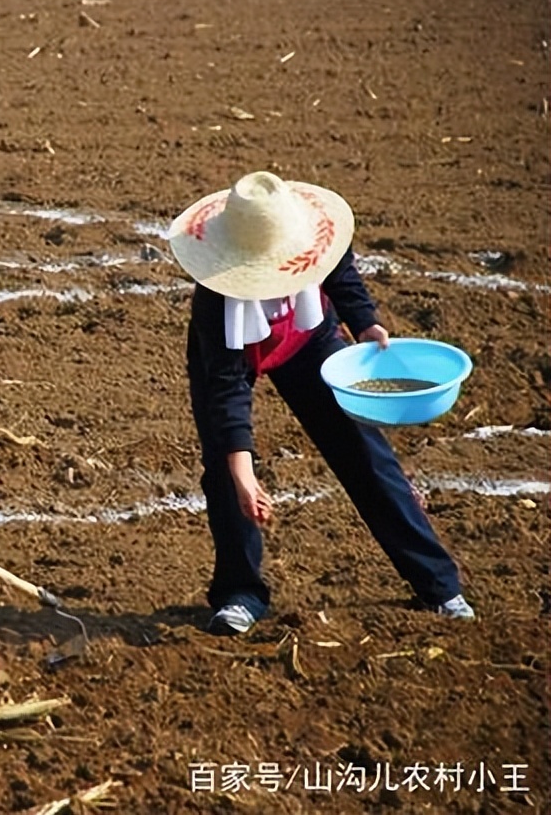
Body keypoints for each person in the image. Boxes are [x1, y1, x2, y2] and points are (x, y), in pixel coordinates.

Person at [168, 171, 474, 636]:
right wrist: (244, 475)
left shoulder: (315, 237)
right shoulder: (217, 300)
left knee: (364, 450)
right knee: (227, 474)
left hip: (306, 340)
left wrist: (365, 322)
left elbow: (340, 271)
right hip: (235, 357)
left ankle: (438, 585)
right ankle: (240, 594)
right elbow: (226, 393)